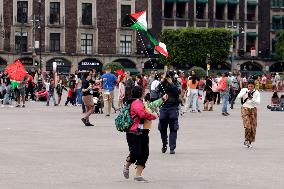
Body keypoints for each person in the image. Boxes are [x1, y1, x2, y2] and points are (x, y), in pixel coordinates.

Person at [123, 86, 158, 183]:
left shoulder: (138, 101)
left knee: (144, 153)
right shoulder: (137, 102)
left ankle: (138, 175)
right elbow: (142, 114)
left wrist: (162, 99)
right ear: (140, 93)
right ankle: (126, 165)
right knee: (136, 152)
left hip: (143, 131)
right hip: (134, 132)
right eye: (143, 91)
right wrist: (153, 116)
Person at [157, 71, 180, 154]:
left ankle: (172, 148)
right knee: (162, 128)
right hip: (163, 108)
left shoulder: (176, 83)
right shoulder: (162, 84)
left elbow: (177, 92)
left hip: (173, 108)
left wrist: (171, 83)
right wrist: (163, 80)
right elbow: (157, 89)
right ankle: (164, 143)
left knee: (173, 128)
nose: (168, 78)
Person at [237, 80, 260, 148]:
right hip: (245, 109)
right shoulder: (244, 90)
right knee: (247, 125)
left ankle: (249, 141)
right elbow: (239, 96)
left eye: (252, 86)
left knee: (253, 127)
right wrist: (246, 92)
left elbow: (258, 102)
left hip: (253, 110)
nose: (250, 87)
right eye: (249, 86)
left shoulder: (257, 92)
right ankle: (246, 140)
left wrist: (252, 99)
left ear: (254, 86)